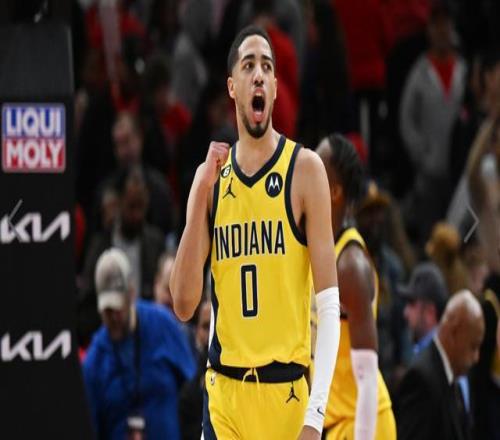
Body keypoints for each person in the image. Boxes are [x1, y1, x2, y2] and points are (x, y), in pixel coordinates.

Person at [169, 25, 341, 440]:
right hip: (225, 395)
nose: (259, 74)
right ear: (233, 87)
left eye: (267, 66)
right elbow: (184, 304)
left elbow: (329, 307)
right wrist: (198, 196)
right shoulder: (211, 180)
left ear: (276, 88)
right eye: (248, 66)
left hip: (286, 395)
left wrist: (316, 415)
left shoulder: (305, 170)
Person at [316, 134, 395, 439]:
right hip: (335, 422)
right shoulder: (320, 247)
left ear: (334, 192)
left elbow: (367, 379)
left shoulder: (350, 266)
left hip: (363, 423)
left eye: (317, 169)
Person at [83, 248, 196, 440]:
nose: (114, 317)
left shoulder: (163, 324)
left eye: (118, 307)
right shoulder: (94, 361)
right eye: (108, 310)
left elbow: (194, 394)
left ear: (131, 294)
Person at [395, 290, 485, 440]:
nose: (476, 357)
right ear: (454, 333)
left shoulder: (451, 375)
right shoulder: (421, 380)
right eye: (473, 347)